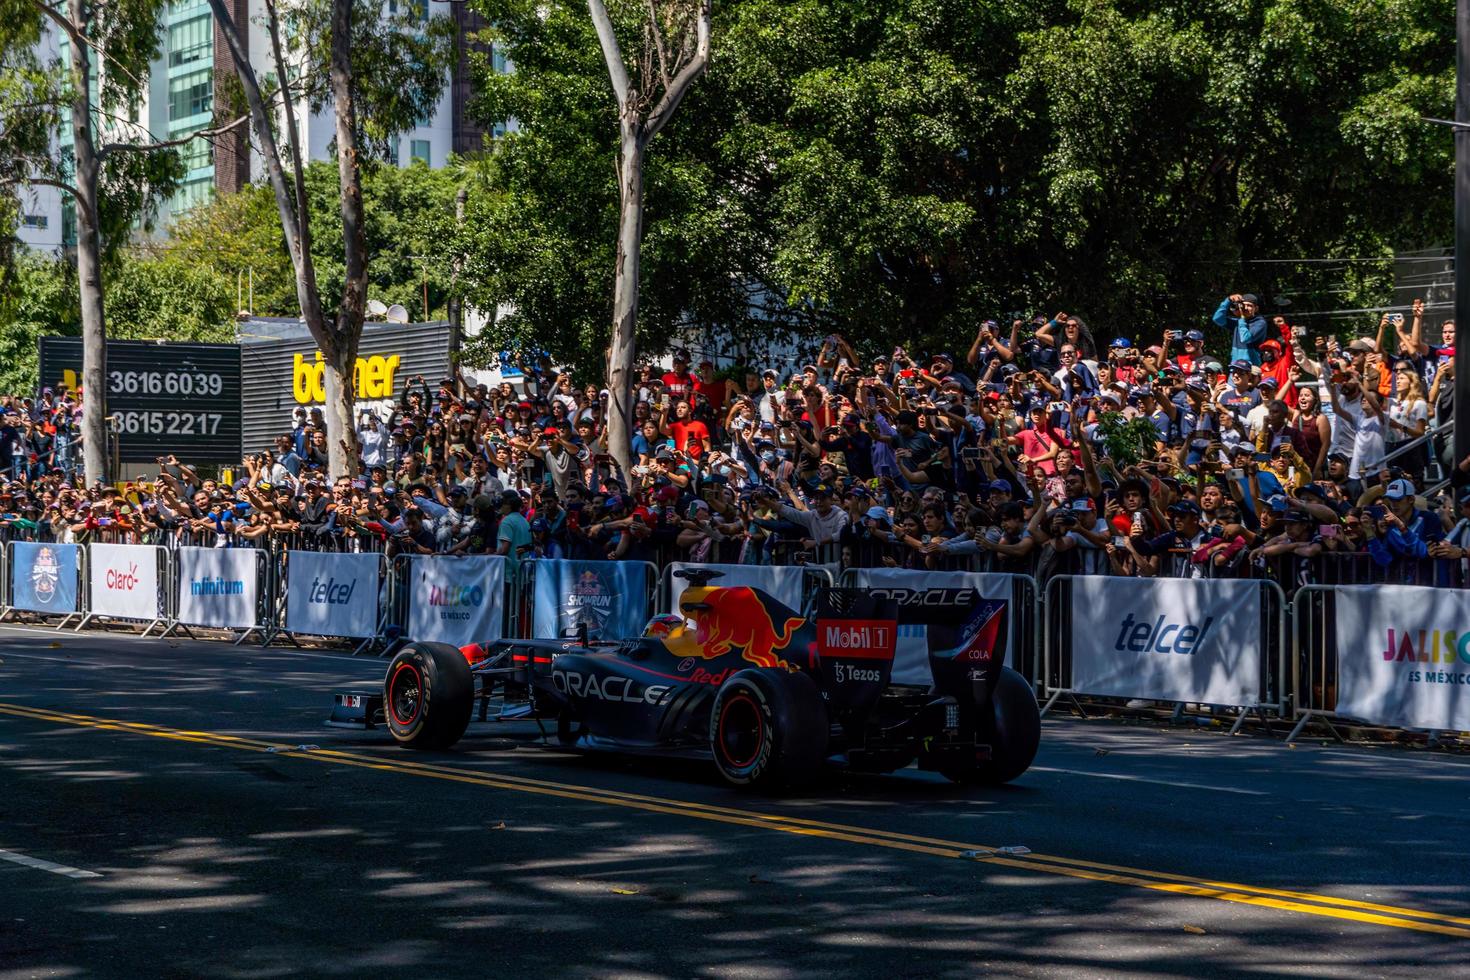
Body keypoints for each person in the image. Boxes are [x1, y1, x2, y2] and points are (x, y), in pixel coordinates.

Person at [1212, 292, 1269, 365]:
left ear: (1256, 308)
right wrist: (1228, 300)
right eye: (1243, 305)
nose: (1245, 308)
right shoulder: (1238, 322)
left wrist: (1242, 317)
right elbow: (1217, 319)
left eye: (1249, 306)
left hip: (1250, 368)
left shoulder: (1260, 323)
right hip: (1235, 365)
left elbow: (1245, 338)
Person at [495, 489, 533, 572]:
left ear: (509, 505)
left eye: (502, 503)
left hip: (510, 573)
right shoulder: (524, 521)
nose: (500, 506)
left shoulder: (506, 521)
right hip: (523, 573)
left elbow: (504, 549)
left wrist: (491, 558)